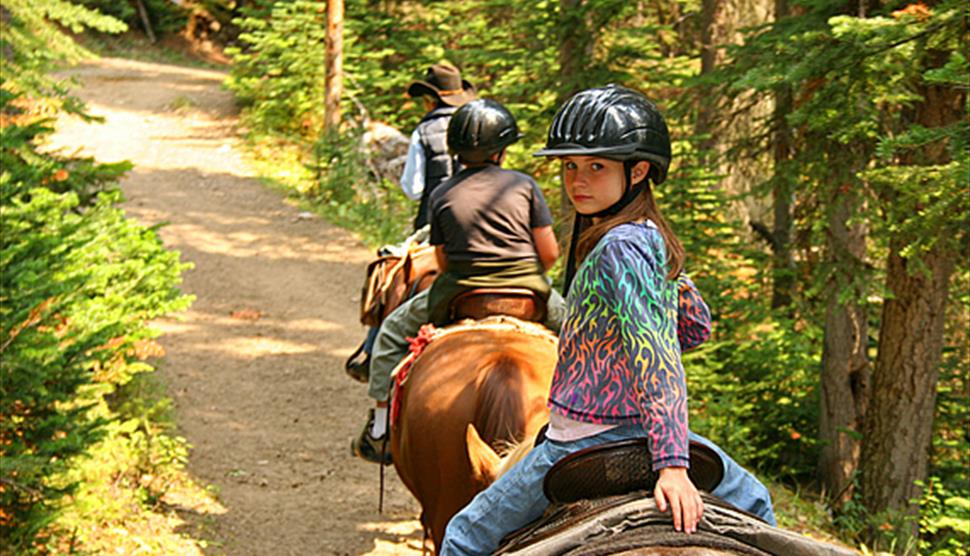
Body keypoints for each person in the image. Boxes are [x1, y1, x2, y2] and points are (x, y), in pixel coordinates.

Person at [439, 85, 775, 555]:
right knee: (757, 504)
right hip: (642, 432)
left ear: (638, 171)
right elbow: (697, 328)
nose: (578, 180)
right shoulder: (643, 237)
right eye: (570, 166)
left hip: (583, 441)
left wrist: (674, 466)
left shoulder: (618, 246)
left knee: (463, 535)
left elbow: (656, 357)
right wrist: (669, 277)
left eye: (597, 166)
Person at [352, 98, 560, 464]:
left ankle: (380, 429)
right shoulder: (524, 186)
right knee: (588, 340)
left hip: (462, 293)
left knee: (388, 335)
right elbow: (549, 255)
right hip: (528, 292)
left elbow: (444, 259)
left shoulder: (442, 193)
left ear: (457, 151)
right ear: (502, 150)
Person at [400, 63, 478, 231]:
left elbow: (413, 189)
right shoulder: (478, 126)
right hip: (474, 221)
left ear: (430, 102)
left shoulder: (423, 132)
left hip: (433, 223)